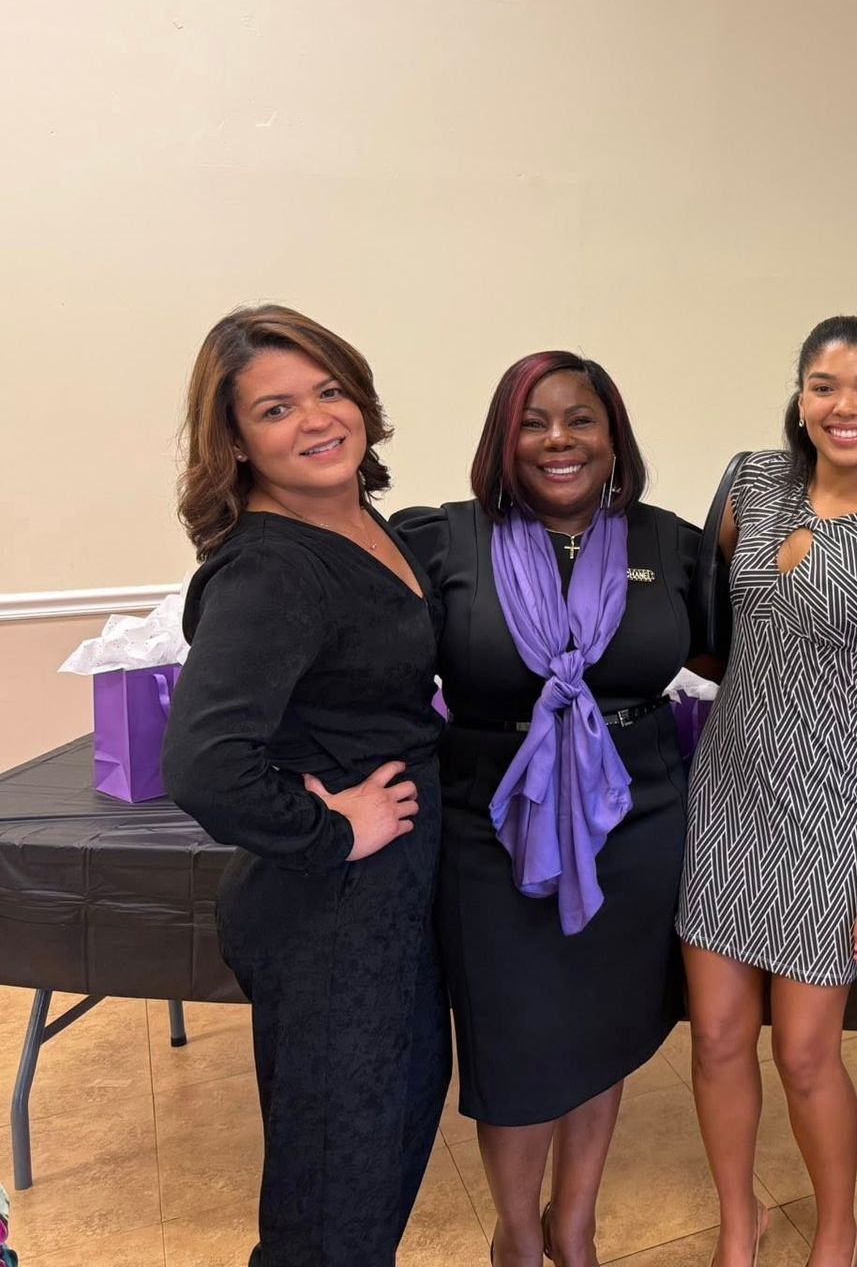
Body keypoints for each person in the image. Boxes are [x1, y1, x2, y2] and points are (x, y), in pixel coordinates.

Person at [394, 352, 702, 1267]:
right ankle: (519, 1235)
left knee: (601, 1027)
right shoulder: (442, 539)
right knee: (517, 1042)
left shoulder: (670, 543)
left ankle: (577, 1223)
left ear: (614, 438)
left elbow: (739, 661)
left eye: (581, 420)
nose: (559, 440)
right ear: (503, 438)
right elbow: (354, 647)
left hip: (636, 817)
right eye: (534, 422)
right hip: (492, 822)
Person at [162, 305, 450, 1267]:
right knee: (332, 1197)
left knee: (380, 1151)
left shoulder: (362, 523)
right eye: (276, 408)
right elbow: (205, 764)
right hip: (332, 911)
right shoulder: (271, 569)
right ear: (235, 443)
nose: (318, 419)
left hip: (384, 908)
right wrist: (335, 832)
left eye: (330, 392)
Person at [676, 315, 857, 1267]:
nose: (847, 406)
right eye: (827, 385)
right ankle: (737, 1227)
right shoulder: (752, 482)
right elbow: (708, 622)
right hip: (728, 798)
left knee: (802, 1052)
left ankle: (837, 1229)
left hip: (835, 814)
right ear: (801, 396)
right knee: (714, 1039)